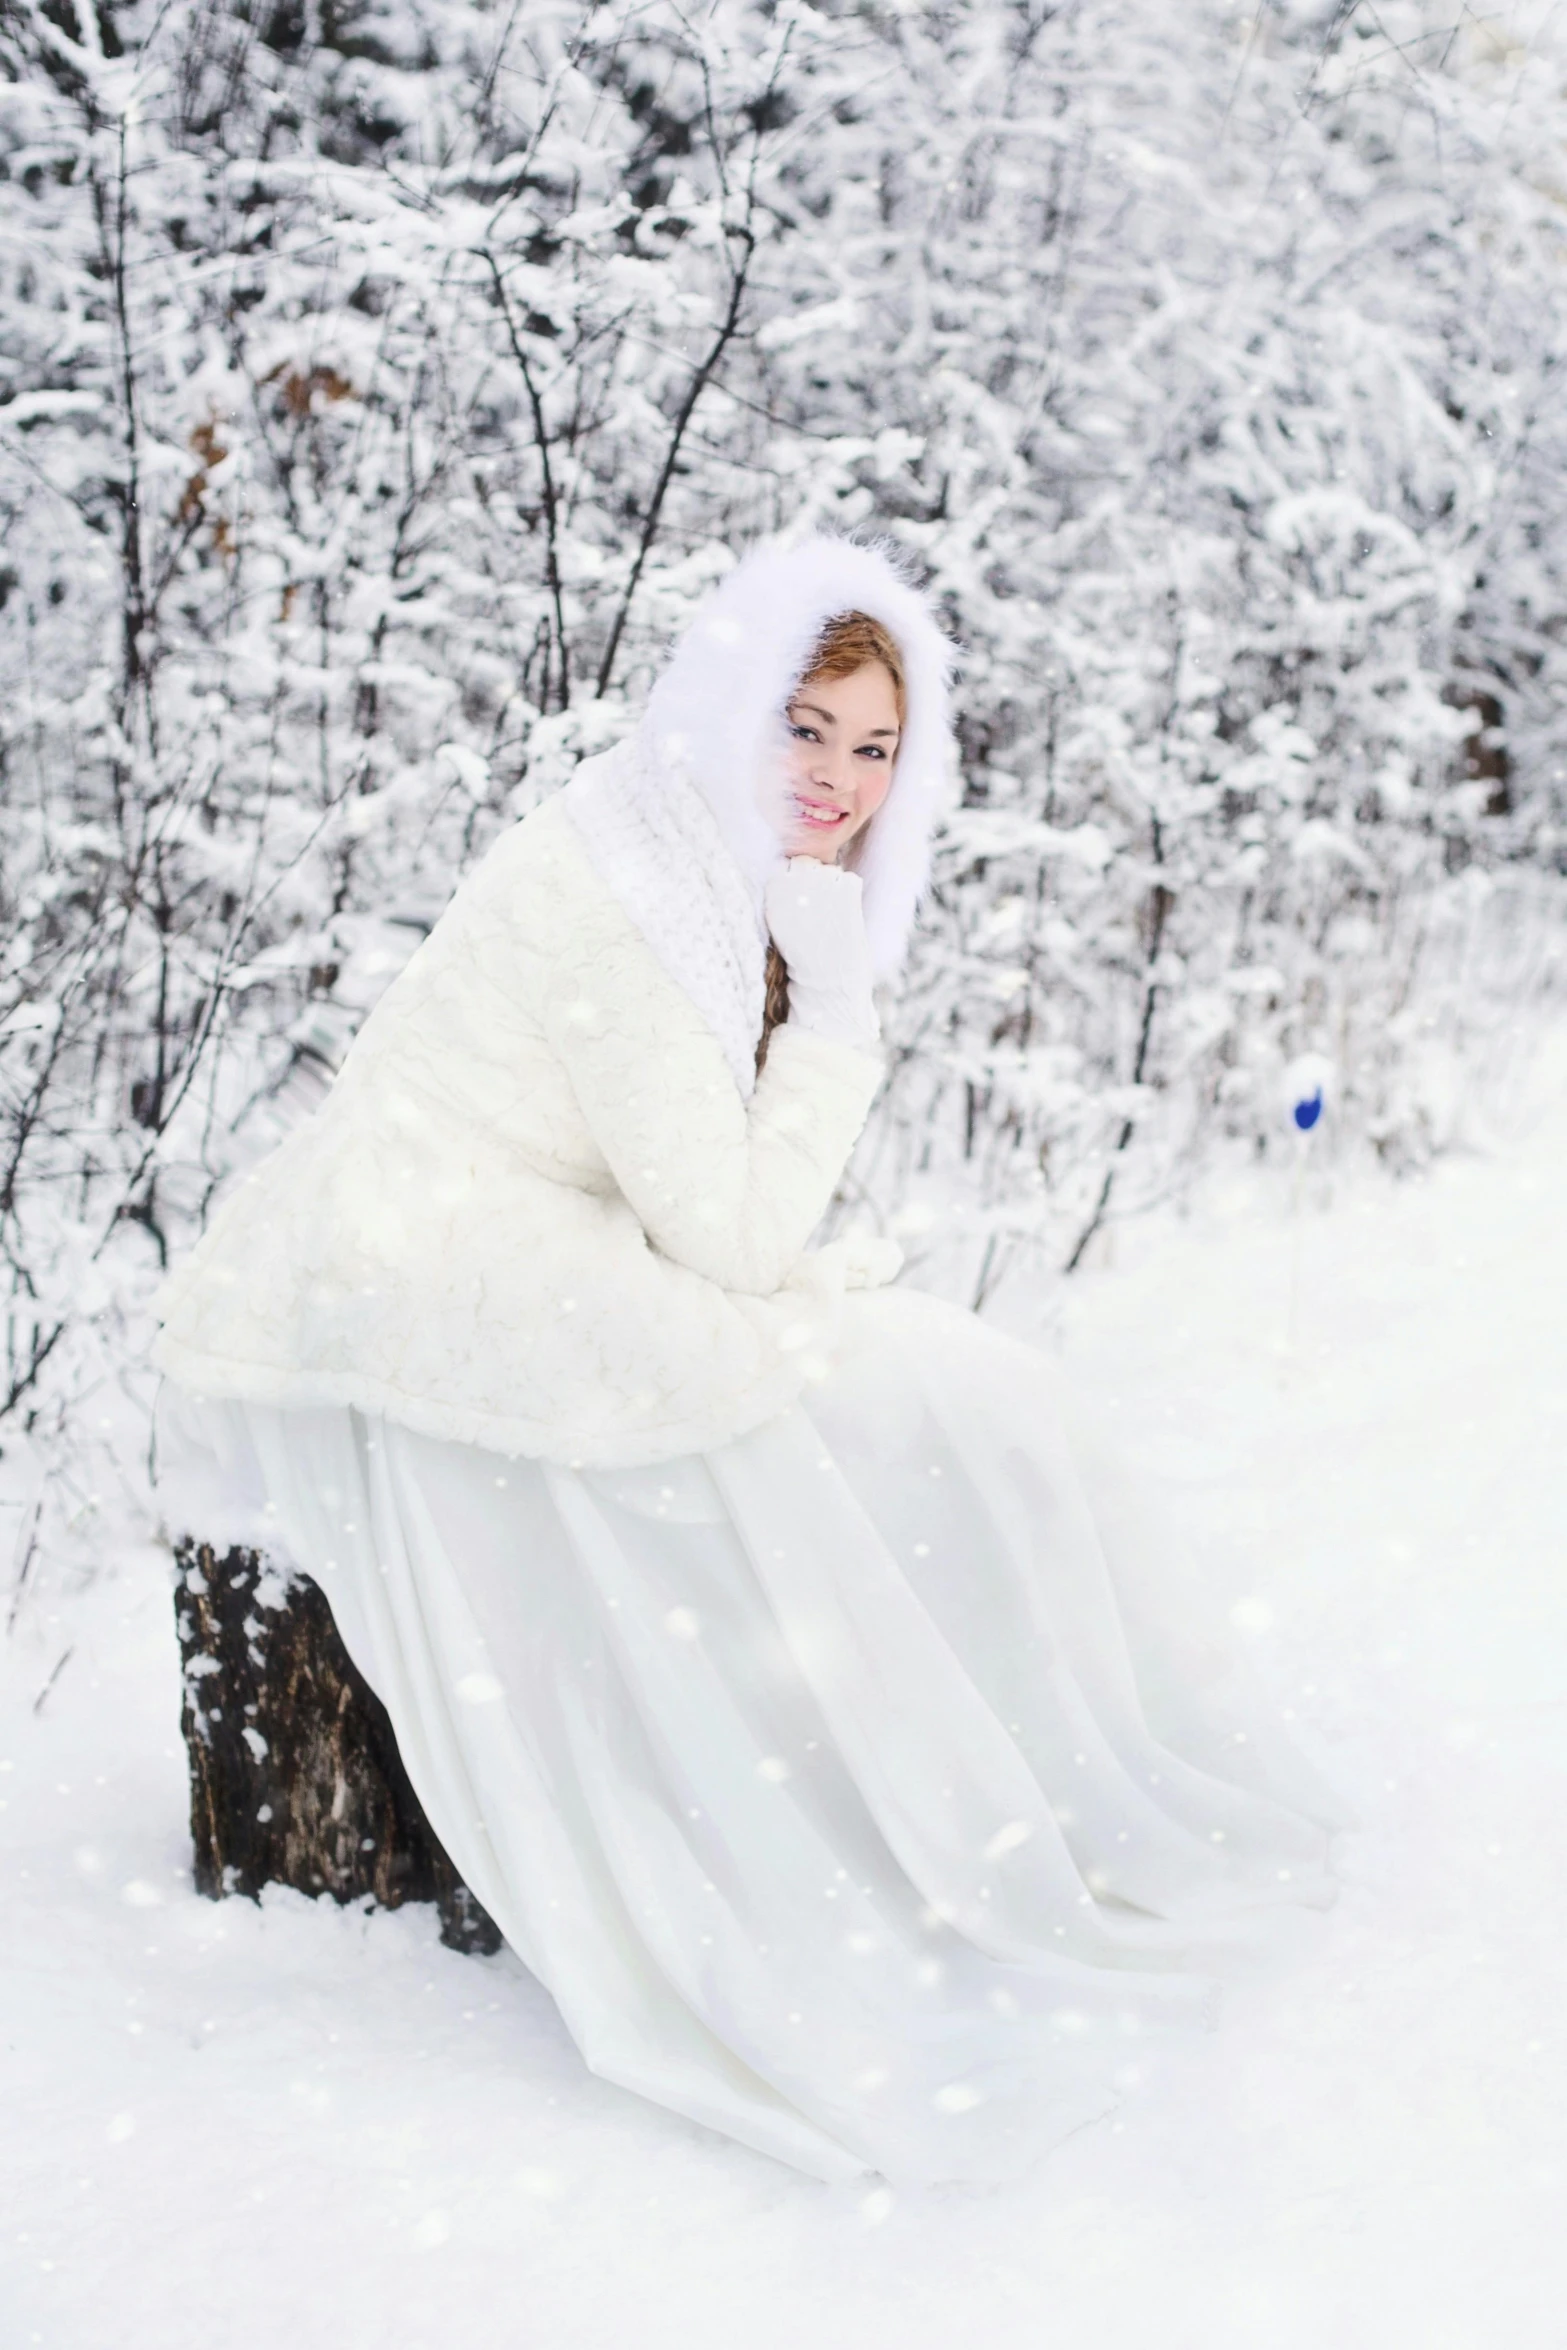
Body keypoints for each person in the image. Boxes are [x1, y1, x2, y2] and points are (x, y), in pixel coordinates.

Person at [153, 535, 1346, 2186]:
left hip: (490, 1220)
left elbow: (723, 1210)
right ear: (733, 706)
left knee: (924, 1391)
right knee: (797, 1405)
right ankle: (871, 1811)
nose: (838, 785)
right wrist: (838, 1014)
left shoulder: (699, 852)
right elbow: (727, 1231)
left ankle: (985, 1771)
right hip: (429, 1243)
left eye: (876, 750)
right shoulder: (635, 894)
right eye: (809, 727)